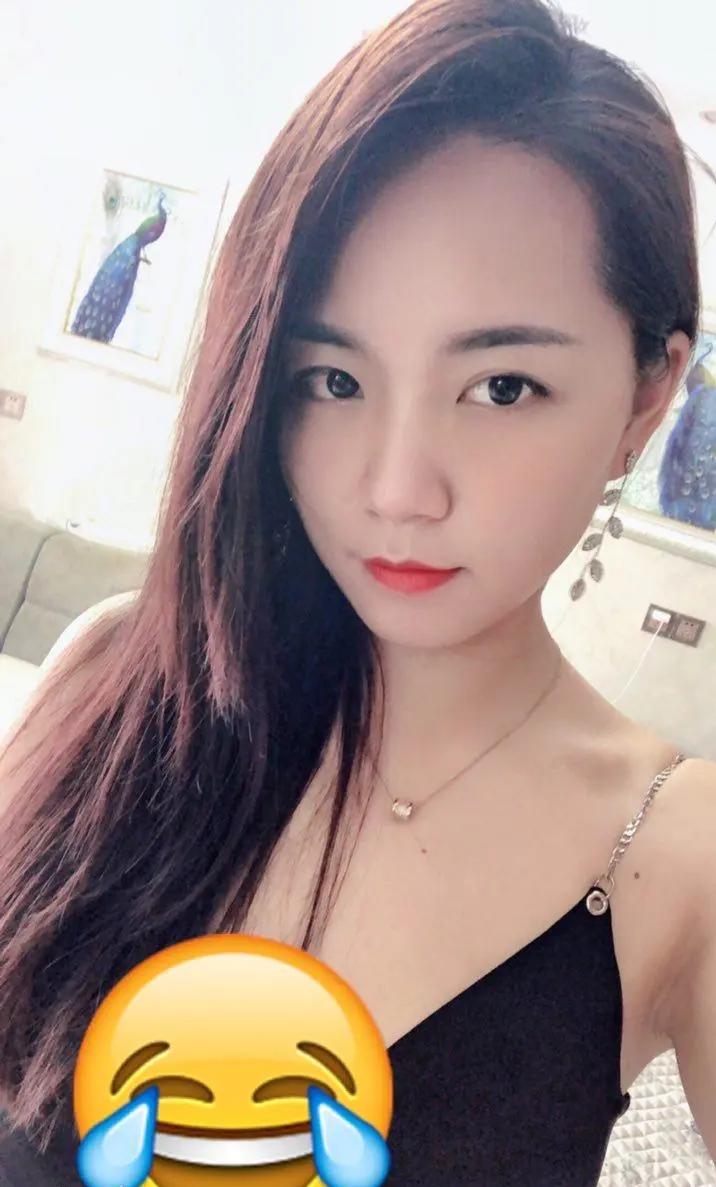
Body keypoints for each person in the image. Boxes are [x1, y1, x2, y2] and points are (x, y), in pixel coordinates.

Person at [0, 0, 714, 1183]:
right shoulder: (117, 679)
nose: (394, 489)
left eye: (500, 387)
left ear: (647, 396)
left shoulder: (672, 853)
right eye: (331, 377)